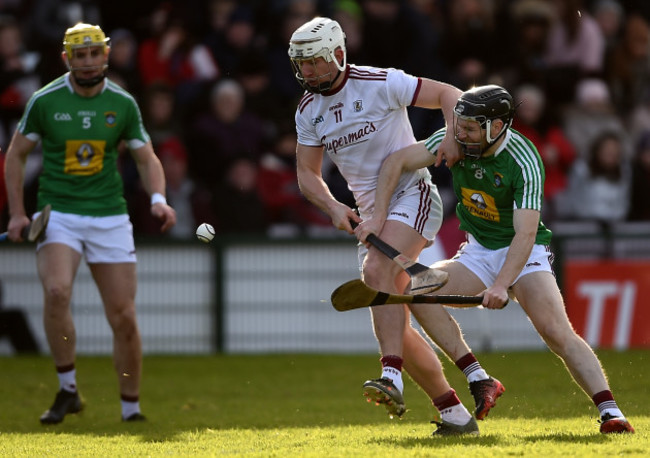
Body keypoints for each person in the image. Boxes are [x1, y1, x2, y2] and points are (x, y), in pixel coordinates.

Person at [357, 84, 635, 434]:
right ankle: (479, 377)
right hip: (478, 250)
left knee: (555, 331)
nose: (462, 133)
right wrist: (377, 216)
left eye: (471, 128)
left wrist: (503, 283)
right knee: (417, 289)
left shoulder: (523, 159)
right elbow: (397, 161)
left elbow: (526, 233)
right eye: (459, 125)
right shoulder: (454, 138)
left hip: (525, 252)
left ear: (497, 126)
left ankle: (611, 413)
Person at [289, 16, 504, 435]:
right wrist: (333, 207)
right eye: (301, 64)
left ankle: (390, 376)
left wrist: (449, 137)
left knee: (377, 276)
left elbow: (450, 94)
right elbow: (306, 174)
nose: (307, 72)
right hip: (371, 218)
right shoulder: (308, 110)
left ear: (337, 54)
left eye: (314, 62)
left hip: (413, 196)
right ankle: (457, 409)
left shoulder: (379, 82)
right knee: (394, 313)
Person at [3, 23, 177, 424]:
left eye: (93, 54)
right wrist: (17, 212)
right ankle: (68, 390)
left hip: (109, 216)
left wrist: (158, 200)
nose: (86, 62)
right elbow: (15, 154)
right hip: (58, 213)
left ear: (105, 55)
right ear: (67, 58)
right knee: (57, 291)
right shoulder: (44, 101)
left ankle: (130, 408)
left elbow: (147, 158)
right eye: (78, 56)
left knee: (123, 316)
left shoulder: (123, 104)